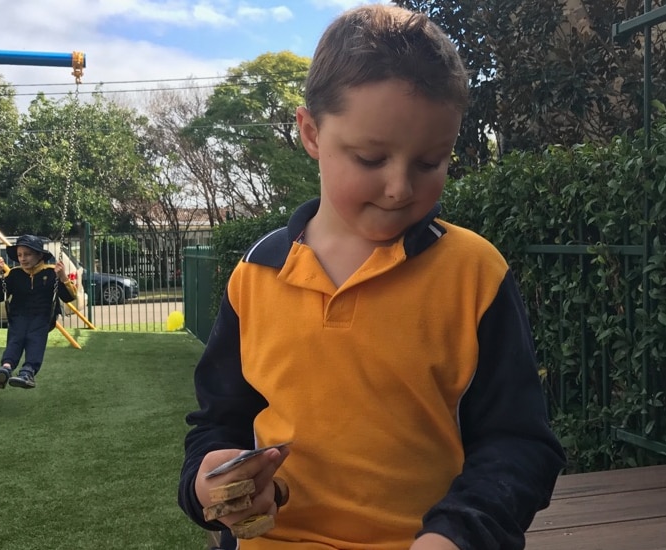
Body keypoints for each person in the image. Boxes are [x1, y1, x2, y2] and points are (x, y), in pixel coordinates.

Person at [178, 5, 566, 550]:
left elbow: (520, 445)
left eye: (431, 162)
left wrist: (458, 534)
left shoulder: (475, 274)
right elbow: (219, 423)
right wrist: (208, 482)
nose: (399, 187)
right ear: (311, 132)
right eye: (369, 157)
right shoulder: (256, 273)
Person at [0, 235, 76, 390]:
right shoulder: (14, 274)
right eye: (20, 255)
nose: (23, 259)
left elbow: (69, 296)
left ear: (39, 255)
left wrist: (62, 277)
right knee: (15, 339)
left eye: (27, 254)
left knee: (35, 340)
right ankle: (6, 368)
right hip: (18, 316)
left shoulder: (51, 273)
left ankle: (28, 371)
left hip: (43, 317)